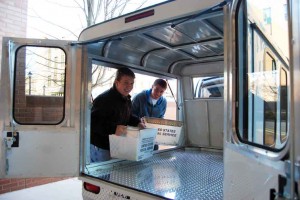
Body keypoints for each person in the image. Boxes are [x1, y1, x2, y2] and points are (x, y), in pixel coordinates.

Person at [90, 67, 145, 162]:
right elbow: (93, 123)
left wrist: (137, 122)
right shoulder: (104, 99)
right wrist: (114, 129)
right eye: (126, 82)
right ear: (117, 82)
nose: (129, 86)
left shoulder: (127, 99)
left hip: (117, 144)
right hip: (102, 147)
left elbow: (128, 116)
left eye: (131, 83)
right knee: (102, 175)